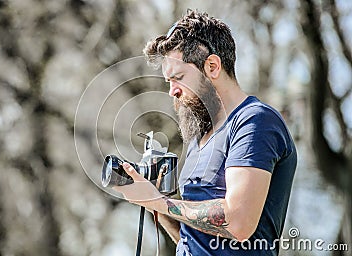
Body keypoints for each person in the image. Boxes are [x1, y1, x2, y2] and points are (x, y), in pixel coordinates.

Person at [113, 9, 297, 256]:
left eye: (178, 78)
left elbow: (239, 223)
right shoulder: (198, 140)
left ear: (212, 66)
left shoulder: (255, 121)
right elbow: (194, 238)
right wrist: (152, 200)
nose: (172, 92)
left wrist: (162, 203)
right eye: (168, 82)